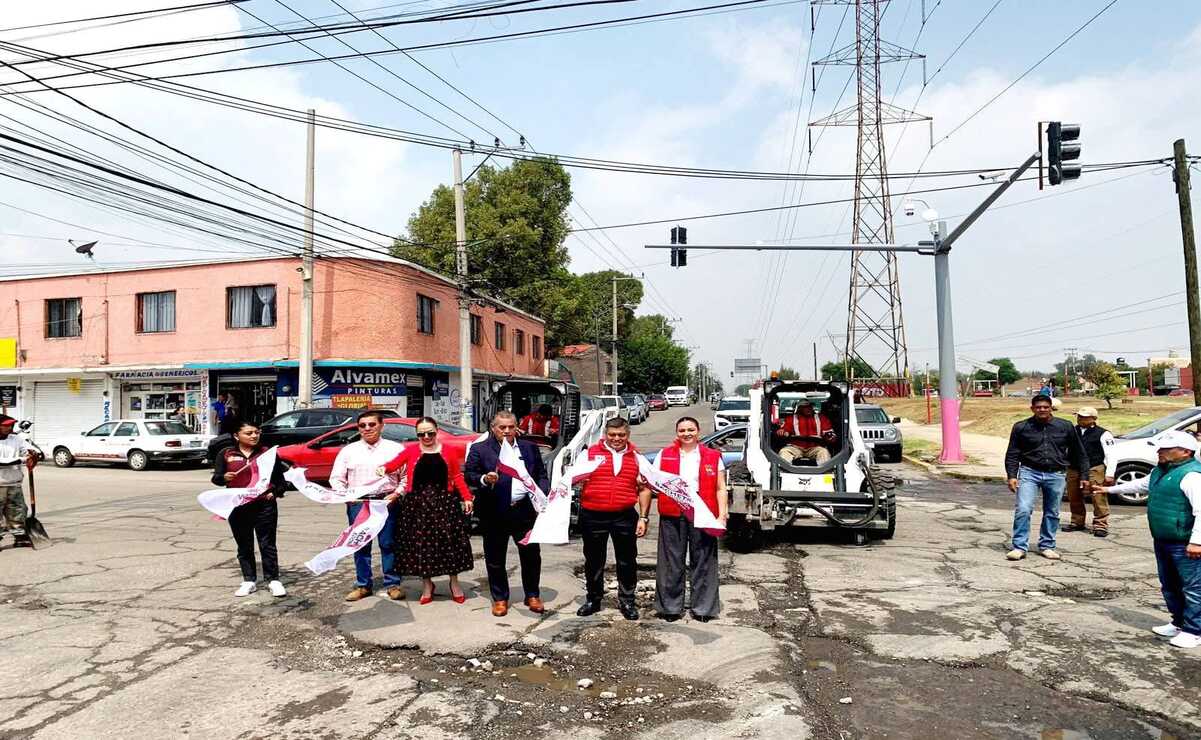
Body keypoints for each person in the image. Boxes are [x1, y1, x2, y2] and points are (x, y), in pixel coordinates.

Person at [1093, 431, 1201, 650]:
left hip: (1185, 542)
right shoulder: (1160, 471)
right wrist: (1108, 489)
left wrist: (1197, 541)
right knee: (1170, 585)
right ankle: (1178, 622)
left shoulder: (1192, 476)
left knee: (1192, 588)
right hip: (1163, 539)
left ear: (1185, 452)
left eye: (1166, 449)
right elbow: (1140, 485)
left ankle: (1194, 630)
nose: (1159, 452)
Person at [464, 410, 550, 617]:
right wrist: (485, 479)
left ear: (516, 427)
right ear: (493, 428)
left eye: (511, 427)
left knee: (531, 557)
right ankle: (500, 598)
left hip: (524, 512)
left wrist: (542, 495)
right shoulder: (480, 449)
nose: (507, 431)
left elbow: (541, 474)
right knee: (495, 558)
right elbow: (470, 475)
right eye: (502, 427)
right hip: (494, 512)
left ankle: (532, 595)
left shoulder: (529, 448)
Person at [380, 418, 474, 605]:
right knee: (421, 546)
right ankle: (427, 585)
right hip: (417, 506)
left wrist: (466, 497)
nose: (426, 437)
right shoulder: (411, 450)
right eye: (421, 434)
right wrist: (383, 468)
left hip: (444, 504)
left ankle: (454, 583)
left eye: (430, 433)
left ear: (437, 431)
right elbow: (393, 464)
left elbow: (456, 476)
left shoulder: (448, 450)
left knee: (449, 543)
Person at [576, 417, 653, 620]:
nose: (617, 438)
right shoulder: (589, 454)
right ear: (605, 435)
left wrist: (643, 518)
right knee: (593, 560)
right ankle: (593, 599)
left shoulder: (637, 457)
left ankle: (627, 601)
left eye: (621, 435)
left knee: (627, 560)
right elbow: (573, 480)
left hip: (624, 515)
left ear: (628, 435)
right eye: (612, 435)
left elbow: (645, 489)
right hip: (593, 515)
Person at [653, 416, 728, 622]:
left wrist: (722, 515)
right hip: (672, 513)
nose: (687, 434)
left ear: (698, 431)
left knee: (703, 560)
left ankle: (703, 608)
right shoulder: (664, 454)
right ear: (677, 433)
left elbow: (721, 488)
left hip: (703, 513)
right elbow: (656, 483)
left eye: (691, 430)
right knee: (671, 561)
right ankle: (670, 608)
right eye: (682, 430)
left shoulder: (712, 456)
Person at [330, 410, 404, 602]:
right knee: (360, 544)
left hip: (386, 502)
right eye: (362, 426)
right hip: (359, 503)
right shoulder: (348, 451)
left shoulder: (395, 449)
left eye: (372, 424)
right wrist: (346, 495)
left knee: (388, 543)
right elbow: (337, 478)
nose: (367, 429)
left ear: (382, 425)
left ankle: (393, 583)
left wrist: (396, 494)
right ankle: (363, 585)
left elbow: (405, 477)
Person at [1003, 394, 1088, 561]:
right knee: (1023, 509)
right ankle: (1019, 547)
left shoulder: (1065, 426)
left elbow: (1079, 452)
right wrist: (1012, 475)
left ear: (1051, 408)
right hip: (1029, 472)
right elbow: (1012, 453)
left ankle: (1047, 545)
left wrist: (1084, 475)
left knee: (1052, 512)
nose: (1042, 409)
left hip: (1056, 474)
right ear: (1032, 408)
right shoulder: (1021, 427)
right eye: (1038, 407)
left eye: (1045, 407)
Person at [210, 420, 288, 597]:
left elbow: (281, 481)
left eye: (256, 432)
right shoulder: (226, 453)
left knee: (267, 544)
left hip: (264, 506)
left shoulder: (267, 453)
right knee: (244, 545)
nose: (254, 436)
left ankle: (273, 580)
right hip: (238, 506)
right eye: (249, 433)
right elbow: (216, 478)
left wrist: (274, 492)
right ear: (237, 436)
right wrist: (224, 478)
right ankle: (248, 580)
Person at [1063, 407, 1117, 537]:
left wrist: (1110, 474)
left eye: (1084, 417)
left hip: (1095, 467)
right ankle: (1077, 521)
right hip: (1074, 467)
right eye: (1079, 416)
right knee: (1073, 495)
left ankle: (1101, 524)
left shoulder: (1103, 434)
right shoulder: (1072, 431)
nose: (1080, 419)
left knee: (1098, 497)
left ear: (1093, 419)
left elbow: (1112, 454)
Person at [0, 415, 37, 545]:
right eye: (5, 425)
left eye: (10, 425)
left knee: (18, 509)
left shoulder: (16, 438)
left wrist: (32, 454)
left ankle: (19, 535)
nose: (9, 428)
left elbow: (28, 449)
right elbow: (2, 462)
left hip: (14, 482)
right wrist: (22, 459)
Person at [774, 399, 836, 465]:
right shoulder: (791, 419)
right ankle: (785, 472)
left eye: (809, 406)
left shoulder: (821, 418)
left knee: (824, 452)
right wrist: (782, 432)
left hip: (815, 447)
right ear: (799, 409)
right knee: (784, 452)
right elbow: (785, 429)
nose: (808, 409)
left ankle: (823, 473)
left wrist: (829, 436)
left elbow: (829, 433)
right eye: (804, 407)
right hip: (796, 447)